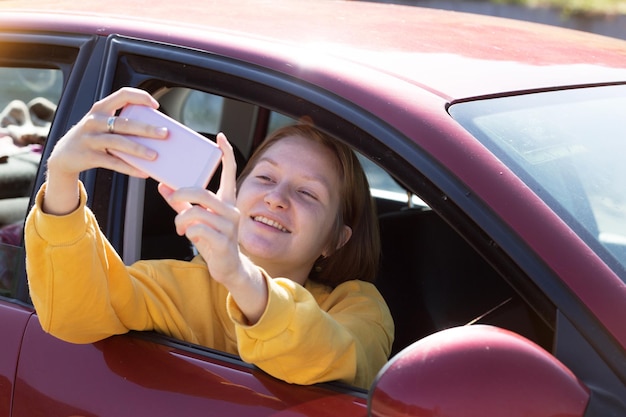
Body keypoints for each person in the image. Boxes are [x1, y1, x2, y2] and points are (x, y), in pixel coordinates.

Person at [24, 87, 394, 389]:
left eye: (308, 194)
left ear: (336, 240)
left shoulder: (358, 306)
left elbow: (344, 364)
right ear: (234, 189)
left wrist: (240, 275)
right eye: (264, 178)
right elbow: (71, 316)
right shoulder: (173, 285)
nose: (276, 199)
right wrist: (60, 176)